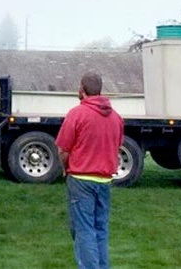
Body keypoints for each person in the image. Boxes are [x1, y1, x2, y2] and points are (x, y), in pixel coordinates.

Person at [55, 71, 124, 269]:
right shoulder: (116, 118)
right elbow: (116, 146)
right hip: (104, 181)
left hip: (81, 178)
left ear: (82, 89)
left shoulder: (77, 114)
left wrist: (65, 168)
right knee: (100, 229)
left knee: (84, 230)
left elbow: (63, 149)